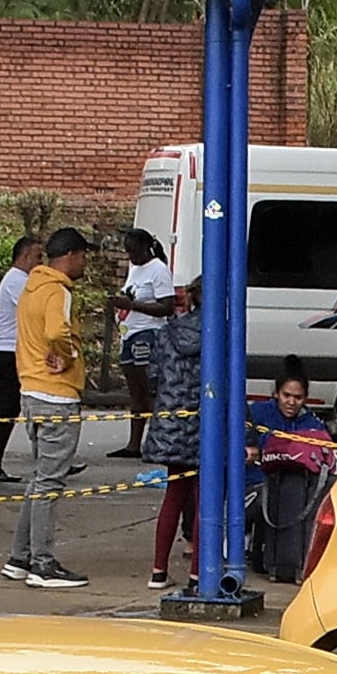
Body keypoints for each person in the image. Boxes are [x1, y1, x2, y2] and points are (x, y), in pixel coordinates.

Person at [7, 226, 94, 591]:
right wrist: (68, 354)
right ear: (71, 255)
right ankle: (42, 563)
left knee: (40, 477)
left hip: (31, 389)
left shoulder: (31, 287)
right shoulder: (59, 290)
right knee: (49, 482)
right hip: (57, 393)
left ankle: (20, 556)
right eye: (83, 256)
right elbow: (58, 332)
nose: (84, 262)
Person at [246, 366, 337, 579]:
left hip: (293, 497)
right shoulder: (258, 413)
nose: (291, 402)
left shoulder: (313, 425)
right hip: (253, 487)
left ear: (305, 398)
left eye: (298, 397)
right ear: (276, 394)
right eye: (286, 395)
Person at [143, 281, 205, 590]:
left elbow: (152, 375)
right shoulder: (220, 332)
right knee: (204, 500)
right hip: (203, 425)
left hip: (170, 423)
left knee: (173, 496)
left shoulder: (167, 331)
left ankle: (158, 571)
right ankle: (197, 574)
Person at [0, 235, 43, 486]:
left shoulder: (24, 280)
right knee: (8, 409)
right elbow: (34, 311)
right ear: (24, 256)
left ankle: (48, 458)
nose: (41, 262)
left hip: (19, 351)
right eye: (38, 256)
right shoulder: (17, 281)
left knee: (32, 406)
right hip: (12, 352)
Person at [112, 228, 175, 457]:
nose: (131, 256)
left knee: (149, 389)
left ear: (146, 247)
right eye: (128, 251)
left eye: (135, 251)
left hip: (147, 334)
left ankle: (159, 441)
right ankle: (133, 444)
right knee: (135, 391)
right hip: (129, 333)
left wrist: (133, 306)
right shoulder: (135, 269)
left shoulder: (158, 270)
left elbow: (167, 306)